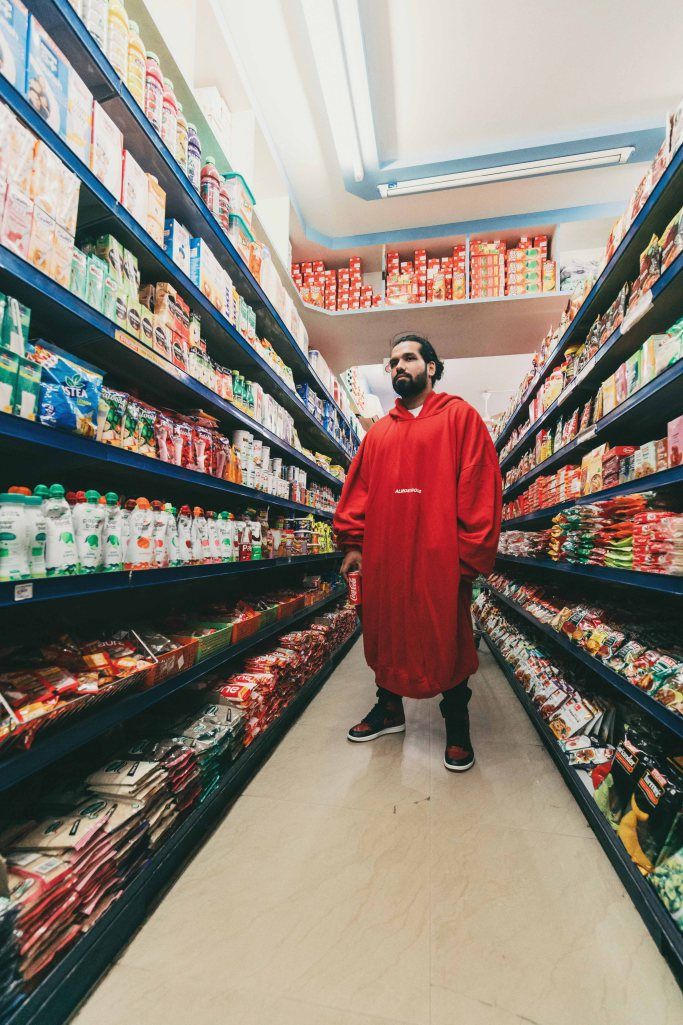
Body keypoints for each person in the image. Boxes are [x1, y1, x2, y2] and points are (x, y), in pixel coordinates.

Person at [334, 333, 502, 771]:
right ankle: (389, 709)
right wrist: (353, 544)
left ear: (430, 366)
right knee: (385, 628)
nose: (398, 367)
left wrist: (467, 556)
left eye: (408, 358)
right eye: (392, 362)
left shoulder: (460, 418)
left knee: (446, 632)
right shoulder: (379, 434)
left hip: (440, 555)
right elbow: (359, 491)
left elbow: (480, 484)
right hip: (386, 554)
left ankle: (457, 723)